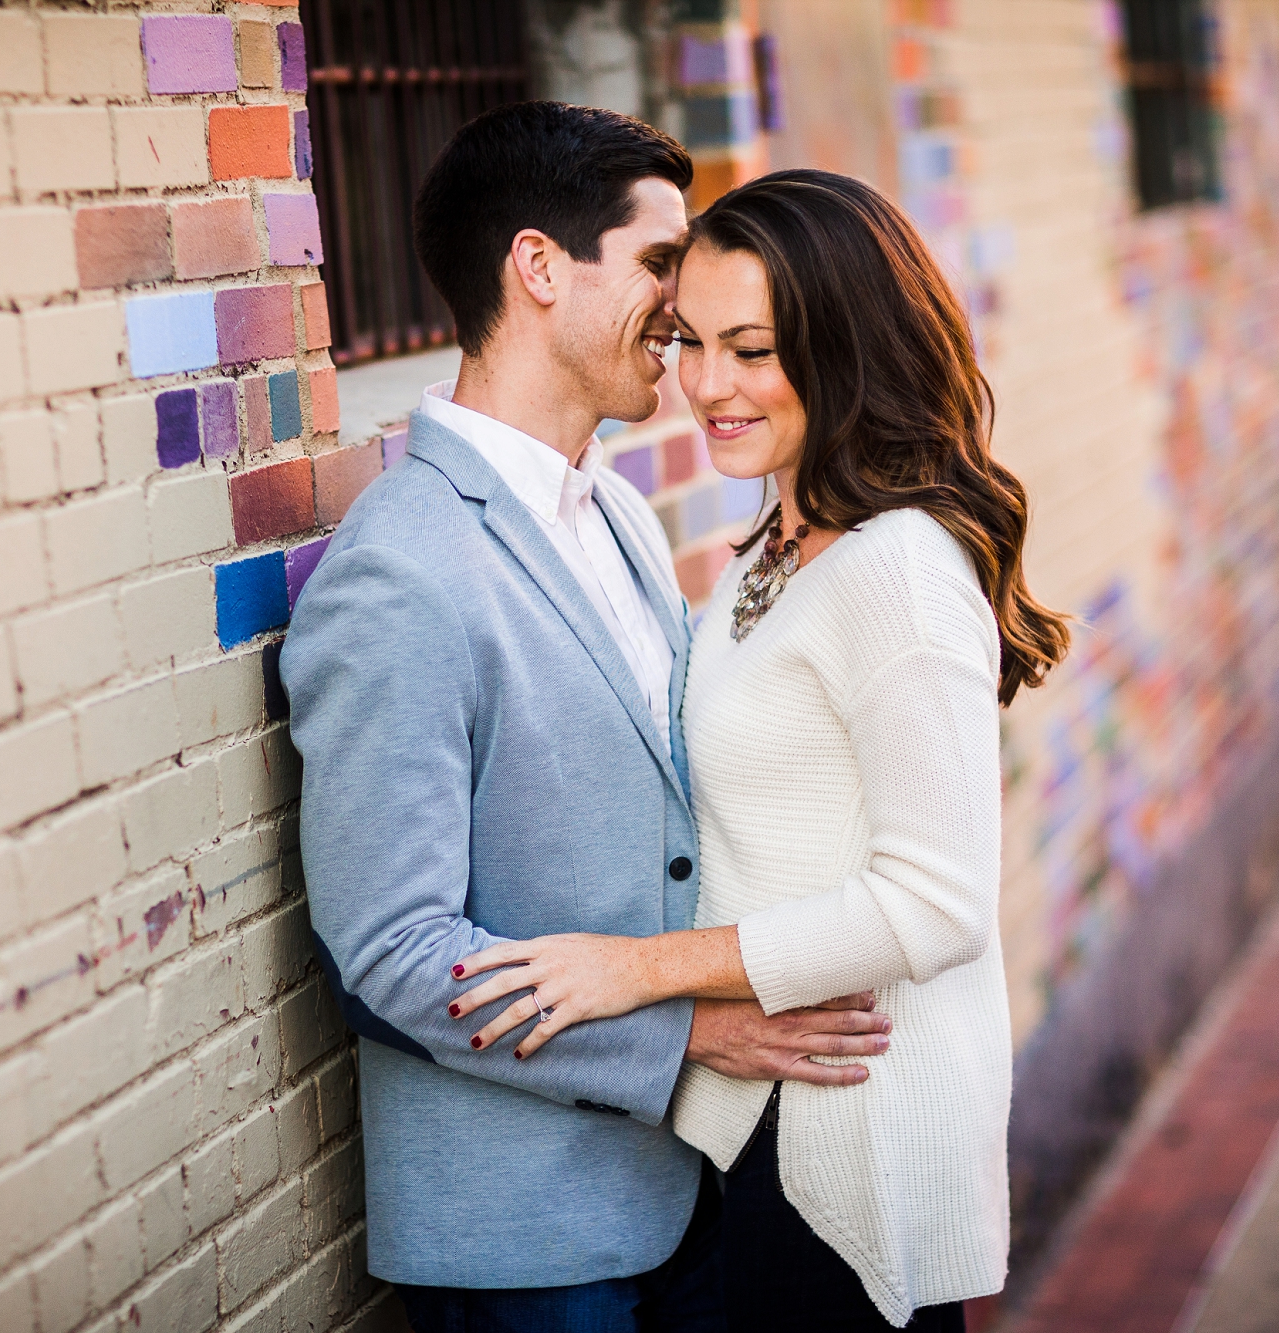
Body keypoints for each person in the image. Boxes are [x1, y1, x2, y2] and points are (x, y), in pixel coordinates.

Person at [282, 112, 893, 1332]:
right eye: (660, 261)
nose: (684, 302)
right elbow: (391, 953)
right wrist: (687, 1037)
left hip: (684, 1200)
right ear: (539, 266)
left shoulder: (614, 514)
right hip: (532, 1250)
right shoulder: (397, 573)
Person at [449, 170, 1072, 1330]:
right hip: (756, 1127)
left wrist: (632, 969)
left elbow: (935, 904)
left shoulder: (895, 567)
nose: (705, 386)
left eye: (752, 350)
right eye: (690, 340)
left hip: (846, 1137)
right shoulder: (771, 549)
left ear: (843, 349)